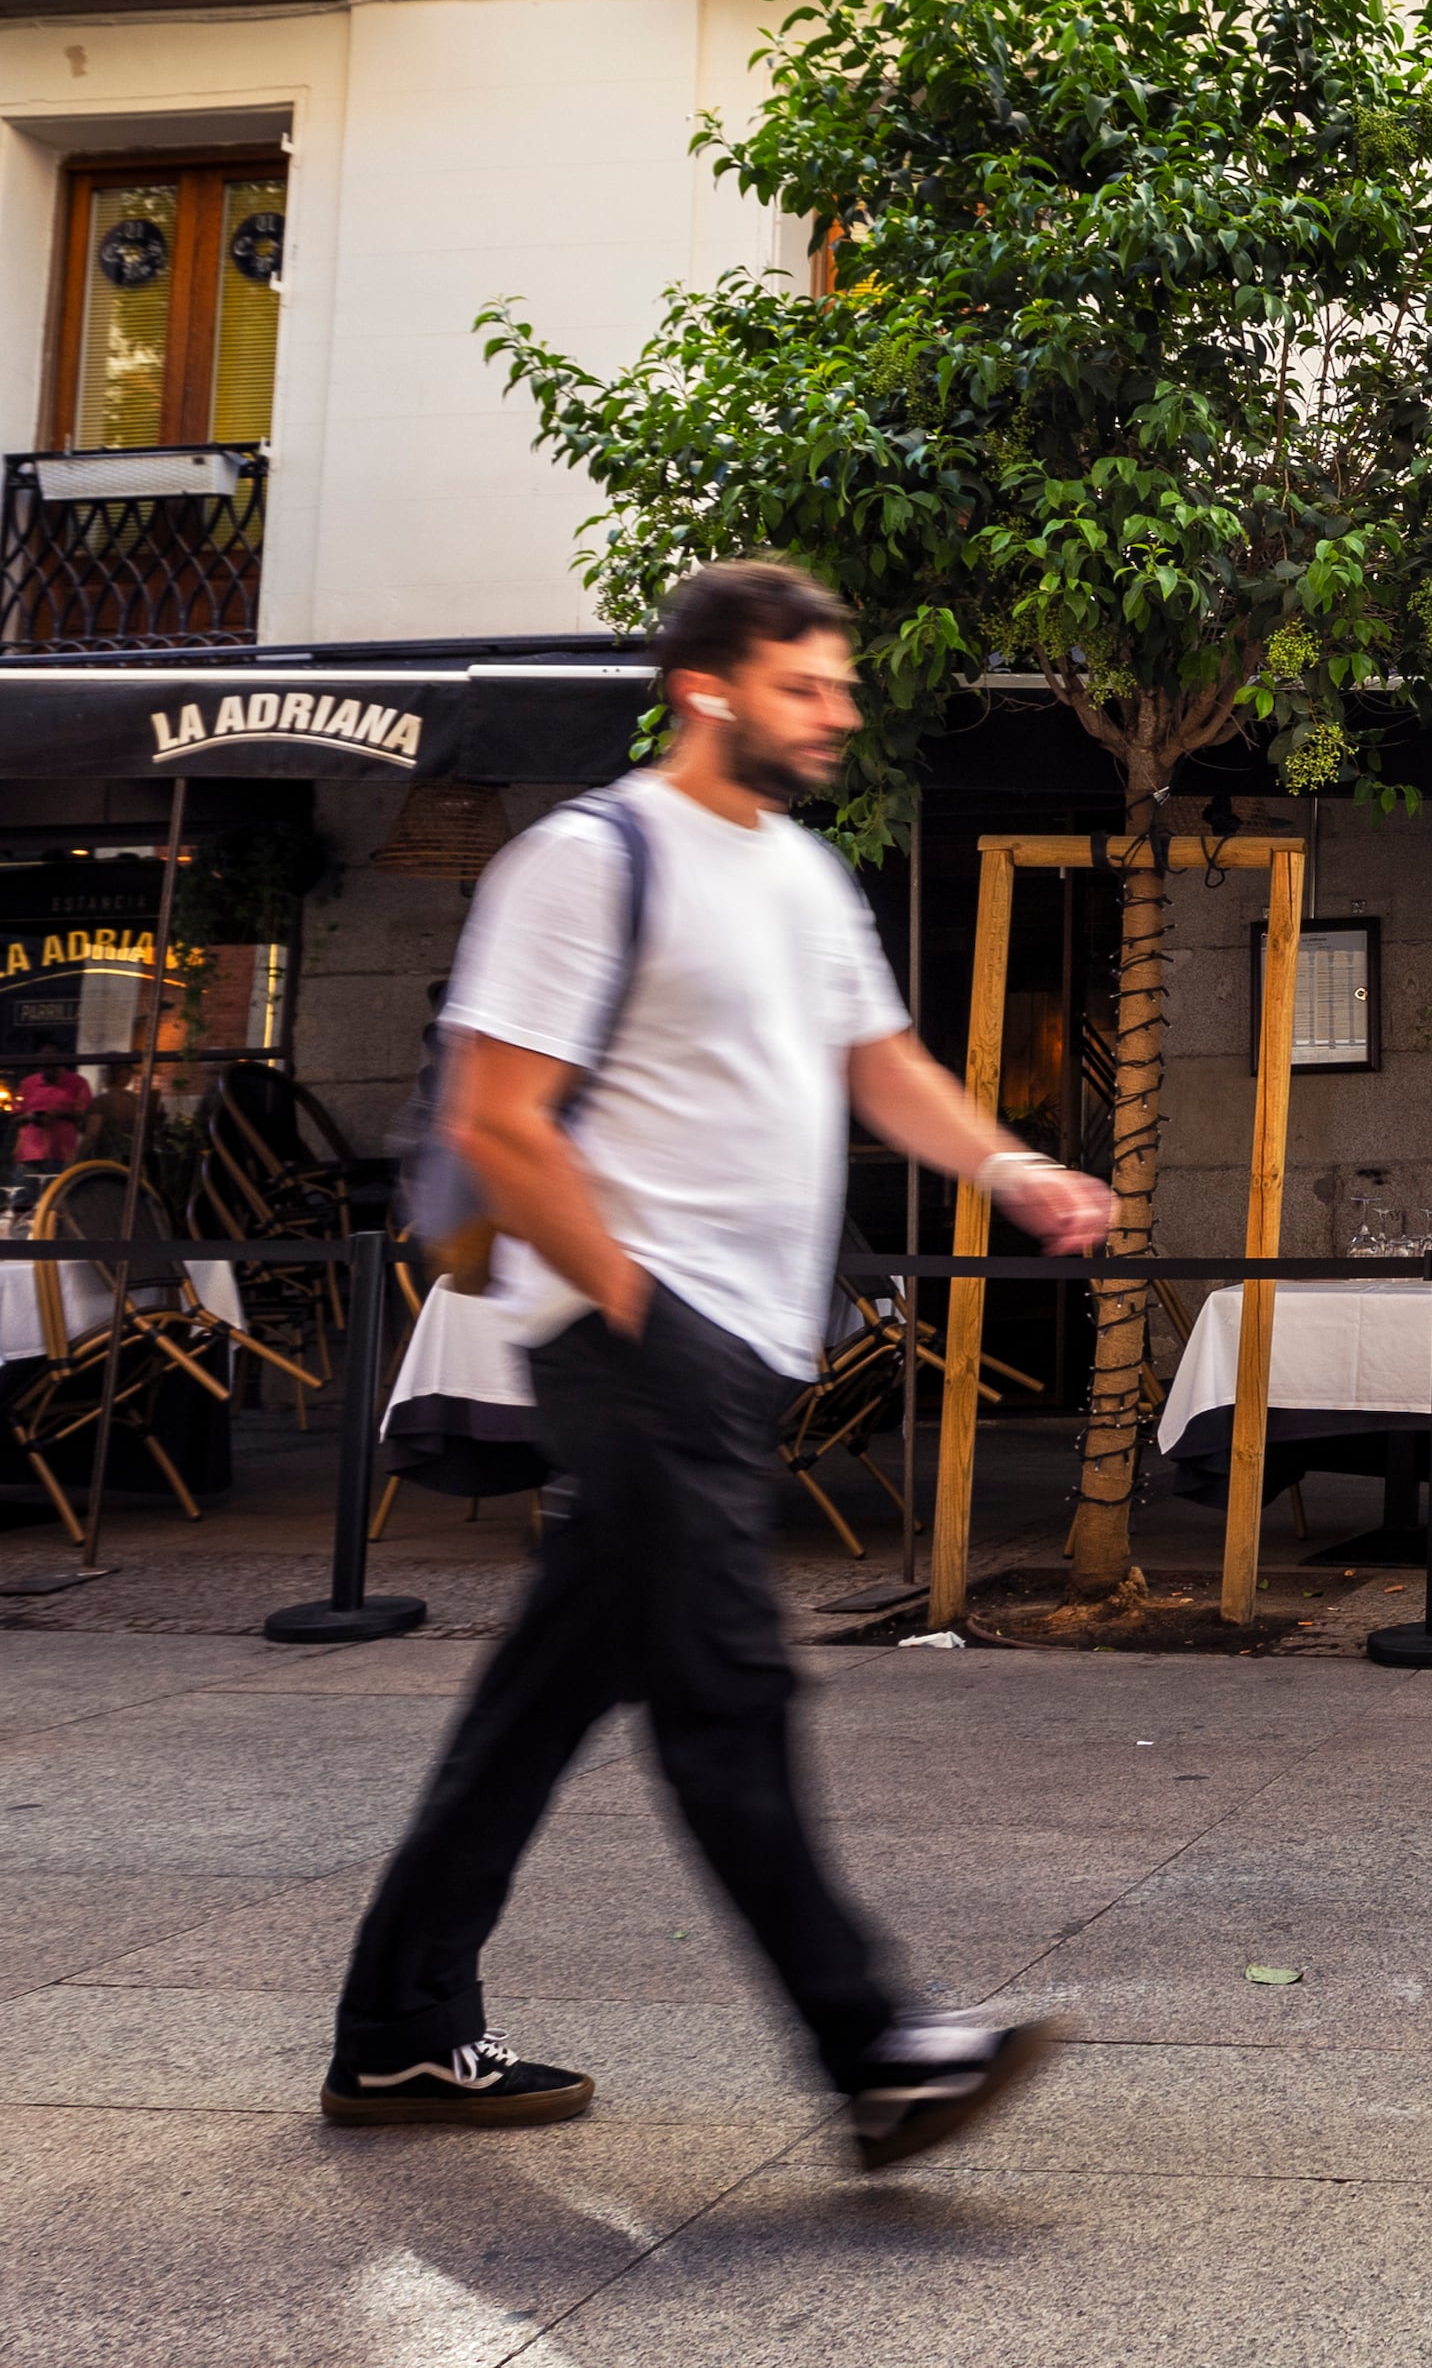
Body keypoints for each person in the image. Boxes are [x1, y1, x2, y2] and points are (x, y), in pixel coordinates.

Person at [326, 560, 1122, 2166]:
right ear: (710, 691)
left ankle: (402, 2036)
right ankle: (875, 2049)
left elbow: (876, 1062)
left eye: (840, 687)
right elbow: (499, 1114)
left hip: (742, 1343)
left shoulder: (806, 876)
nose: (837, 713)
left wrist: (1010, 1166)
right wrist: (634, 1300)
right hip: (638, 1339)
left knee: (544, 1698)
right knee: (728, 1686)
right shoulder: (587, 858)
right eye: (807, 686)